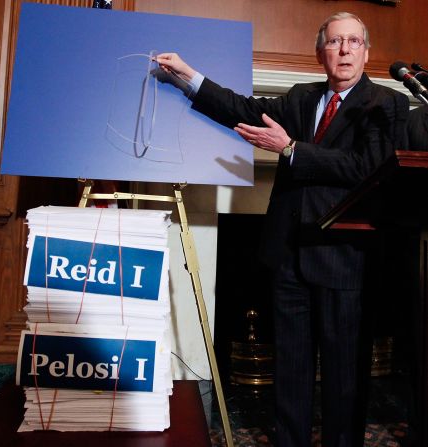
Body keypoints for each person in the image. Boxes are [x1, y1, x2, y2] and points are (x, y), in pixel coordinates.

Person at [155, 12, 409, 447]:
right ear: (320, 53)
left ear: (365, 52)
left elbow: (366, 167)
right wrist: (187, 76)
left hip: (344, 259)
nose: (344, 50)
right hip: (288, 256)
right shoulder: (299, 98)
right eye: (334, 42)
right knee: (289, 373)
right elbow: (242, 108)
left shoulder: (384, 103)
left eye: (352, 42)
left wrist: (291, 150)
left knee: (343, 379)